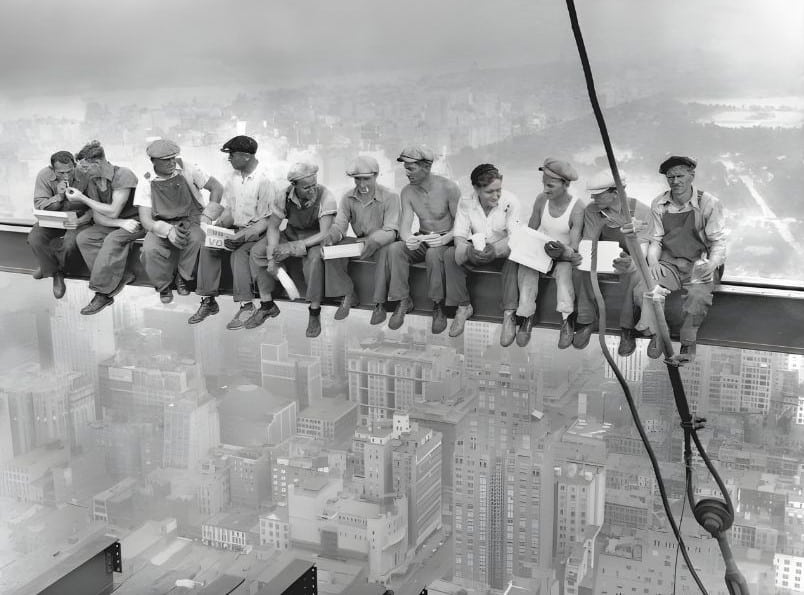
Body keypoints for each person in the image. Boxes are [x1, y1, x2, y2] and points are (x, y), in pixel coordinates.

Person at [636, 155, 727, 362]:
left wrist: (711, 264)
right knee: (649, 285)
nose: (675, 182)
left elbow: (718, 242)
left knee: (697, 296)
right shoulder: (659, 203)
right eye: (670, 177)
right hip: (670, 262)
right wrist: (654, 263)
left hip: (700, 263)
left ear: (691, 175)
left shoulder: (708, 203)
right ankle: (657, 333)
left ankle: (688, 343)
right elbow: (656, 240)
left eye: (679, 176)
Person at [188, 135, 278, 329]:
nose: (229, 159)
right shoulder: (233, 179)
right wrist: (219, 225)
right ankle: (208, 300)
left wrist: (242, 236)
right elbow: (230, 210)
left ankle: (247, 306)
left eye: (232, 155)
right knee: (208, 246)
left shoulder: (265, 180)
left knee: (238, 254)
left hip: (257, 233)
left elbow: (266, 221)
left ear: (246, 156)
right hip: (236, 230)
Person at [373, 145, 460, 333]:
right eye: (405, 167)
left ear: (426, 168)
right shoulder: (407, 192)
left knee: (434, 255)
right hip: (423, 237)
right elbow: (405, 225)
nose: (406, 173)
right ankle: (403, 300)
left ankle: (439, 305)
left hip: (446, 240)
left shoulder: (449, 188)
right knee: (395, 249)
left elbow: (461, 225)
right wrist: (408, 238)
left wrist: (445, 239)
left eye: (411, 168)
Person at [249, 161, 337, 336]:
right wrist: (272, 258)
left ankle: (314, 310)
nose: (312, 190)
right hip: (291, 233)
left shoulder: (327, 197)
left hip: (314, 238)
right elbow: (273, 227)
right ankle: (267, 304)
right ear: (294, 185)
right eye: (306, 188)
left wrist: (291, 248)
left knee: (314, 260)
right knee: (257, 251)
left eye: (314, 185)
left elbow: (324, 233)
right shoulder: (283, 196)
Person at [506, 158, 584, 348]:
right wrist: (521, 245)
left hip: (562, 256)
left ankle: (567, 318)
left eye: (550, 185)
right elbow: (532, 229)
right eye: (543, 184)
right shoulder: (542, 200)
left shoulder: (577, 207)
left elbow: (574, 245)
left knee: (565, 272)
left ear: (565, 185)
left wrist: (563, 251)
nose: (545, 190)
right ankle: (527, 316)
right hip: (542, 251)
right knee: (526, 268)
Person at [571, 170, 651, 355]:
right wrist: (584, 253)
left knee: (634, 274)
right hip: (602, 256)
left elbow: (643, 250)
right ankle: (587, 319)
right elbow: (589, 240)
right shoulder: (593, 210)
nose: (592, 197)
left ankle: (627, 329)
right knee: (580, 269)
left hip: (631, 259)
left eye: (598, 194)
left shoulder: (641, 211)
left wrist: (630, 261)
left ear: (616, 192)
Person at [137, 139, 224, 304]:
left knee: (197, 239)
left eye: (173, 158)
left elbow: (217, 188)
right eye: (166, 160)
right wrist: (168, 231)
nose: (171, 162)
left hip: (191, 218)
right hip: (162, 223)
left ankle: (183, 277)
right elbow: (145, 220)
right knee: (149, 250)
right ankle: (163, 286)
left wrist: (207, 216)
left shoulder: (187, 168)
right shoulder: (146, 180)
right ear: (153, 161)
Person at [445, 163, 520, 338]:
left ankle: (509, 313)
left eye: (498, 190)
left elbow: (514, 237)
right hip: (477, 250)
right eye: (489, 192)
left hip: (502, 251)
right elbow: (460, 235)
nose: (496, 196)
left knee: (515, 257)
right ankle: (463, 307)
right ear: (476, 189)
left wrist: (495, 250)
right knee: (449, 255)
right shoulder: (465, 202)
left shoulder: (511, 202)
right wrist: (469, 251)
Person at [321, 156, 400, 320]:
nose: (362, 184)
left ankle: (379, 304)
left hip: (382, 241)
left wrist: (375, 240)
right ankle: (347, 294)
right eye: (358, 179)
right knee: (333, 250)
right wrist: (331, 236)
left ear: (376, 175)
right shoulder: (348, 197)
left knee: (385, 252)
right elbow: (340, 226)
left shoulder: (390, 196)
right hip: (360, 242)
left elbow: (391, 230)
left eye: (366, 179)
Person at [70, 140, 142, 315]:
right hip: (119, 223)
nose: (84, 171)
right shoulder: (93, 180)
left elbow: (112, 210)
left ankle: (102, 293)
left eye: (86, 167)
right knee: (85, 238)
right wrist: (120, 223)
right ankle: (122, 275)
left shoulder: (123, 175)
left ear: (98, 163)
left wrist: (82, 198)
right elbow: (98, 216)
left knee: (112, 240)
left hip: (137, 222)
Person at [28, 150, 92, 298]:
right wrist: (60, 196)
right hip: (53, 217)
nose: (66, 176)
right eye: (61, 173)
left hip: (78, 218)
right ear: (52, 169)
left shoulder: (85, 174)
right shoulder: (44, 175)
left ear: (74, 165)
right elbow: (40, 205)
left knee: (70, 244)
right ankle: (53, 271)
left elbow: (94, 205)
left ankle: (51, 268)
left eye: (69, 171)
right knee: (35, 239)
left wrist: (81, 220)